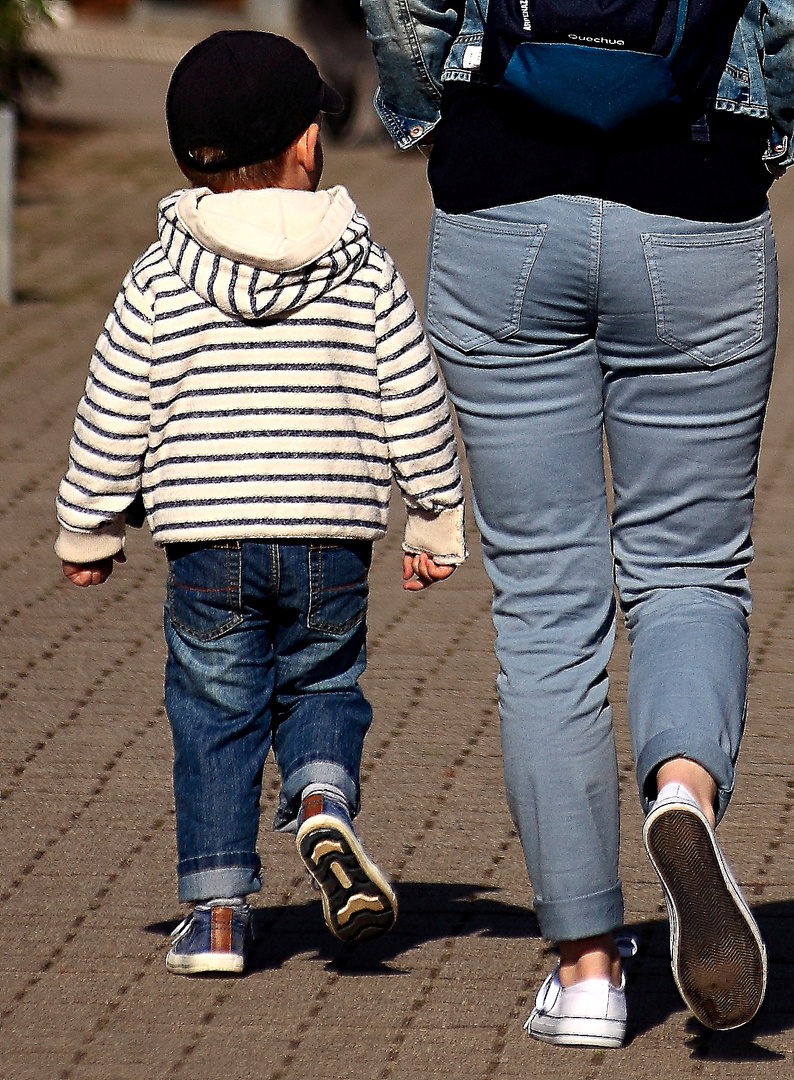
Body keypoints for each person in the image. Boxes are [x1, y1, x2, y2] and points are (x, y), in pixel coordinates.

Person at [360, 0, 794, 1047]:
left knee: (544, 601)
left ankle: (586, 974)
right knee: (691, 570)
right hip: (697, 198)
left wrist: (425, 112)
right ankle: (682, 793)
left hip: (501, 196)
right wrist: (781, 130)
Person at [54, 30, 466, 977]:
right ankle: (321, 803)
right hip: (331, 542)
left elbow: (114, 403)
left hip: (208, 548)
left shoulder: (161, 274)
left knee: (214, 716)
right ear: (307, 147)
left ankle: (218, 917)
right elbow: (412, 390)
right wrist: (435, 517)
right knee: (322, 686)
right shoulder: (360, 264)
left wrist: (90, 523)